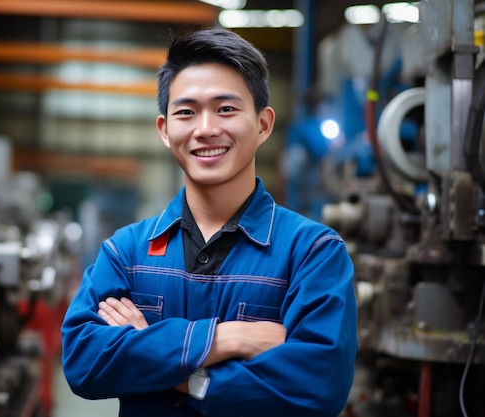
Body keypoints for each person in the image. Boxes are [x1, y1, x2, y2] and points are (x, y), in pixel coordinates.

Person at [61, 28, 357, 417]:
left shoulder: (312, 254)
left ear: (263, 124)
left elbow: (317, 389)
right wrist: (226, 338)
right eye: (186, 112)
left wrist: (163, 362)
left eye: (226, 109)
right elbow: (84, 361)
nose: (205, 129)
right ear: (166, 131)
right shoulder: (126, 252)